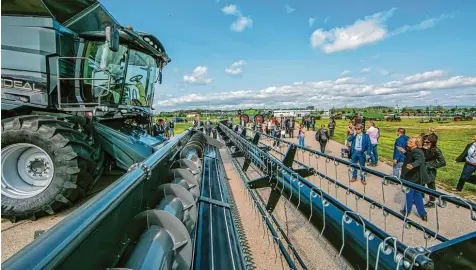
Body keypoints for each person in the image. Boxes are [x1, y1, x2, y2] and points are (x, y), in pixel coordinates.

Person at [400, 136, 430, 221]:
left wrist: (412, 165)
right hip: (416, 177)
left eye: (411, 142)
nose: (408, 142)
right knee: (417, 195)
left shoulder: (417, 151)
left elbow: (418, 161)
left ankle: (406, 211)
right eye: (409, 141)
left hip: (413, 177)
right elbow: (411, 156)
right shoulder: (413, 150)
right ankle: (423, 214)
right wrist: (404, 152)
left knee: (409, 193)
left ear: (416, 144)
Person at [422, 134, 446, 208]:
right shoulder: (423, 148)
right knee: (421, 184)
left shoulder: (436, 150)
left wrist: (429, 165)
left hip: (430, 171)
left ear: (432, 142)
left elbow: (443, 162)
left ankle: (432, 202)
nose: (425, 143)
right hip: (422, 169)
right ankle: (419, 198)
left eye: (427, 142)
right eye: (424, 141)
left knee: (431, 186)